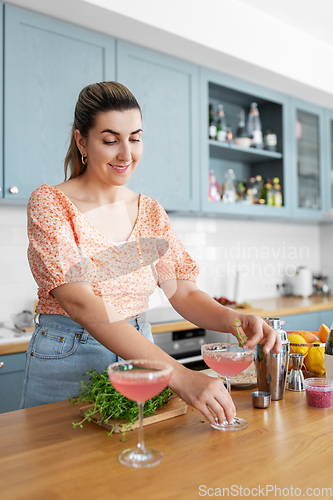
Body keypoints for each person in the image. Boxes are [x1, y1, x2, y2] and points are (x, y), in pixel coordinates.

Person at [20, 81, 281, 426]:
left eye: (135, 138)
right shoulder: (51, 203)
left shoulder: (150, 211)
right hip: (69, 357)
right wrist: (178, 374)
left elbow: (183, 292)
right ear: (82, 141)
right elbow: (80, 301)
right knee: (59, 473)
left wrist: (233, 320)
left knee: (141, 472)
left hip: (143, 355)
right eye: (111, 140)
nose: (126, 155)